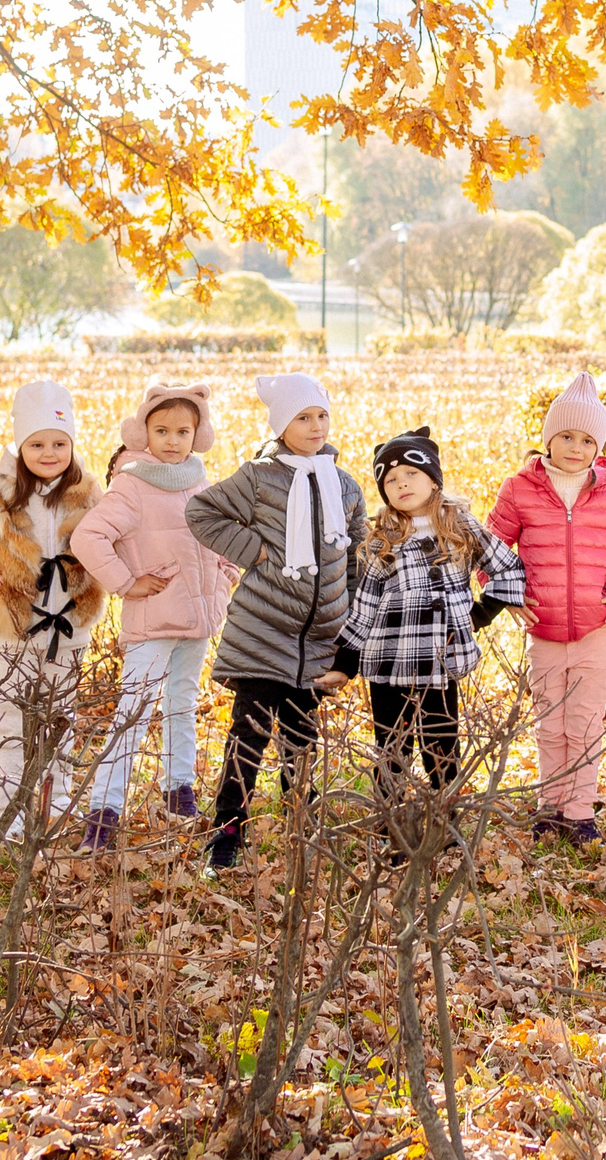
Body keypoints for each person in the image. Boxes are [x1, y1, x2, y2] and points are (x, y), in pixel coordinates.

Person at [186, 373, 367, 872]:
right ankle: (227, 833)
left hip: (318, 639)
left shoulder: (345, 484)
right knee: (249, 735)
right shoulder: (260, 476)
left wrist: (347, 618)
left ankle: (300, 827)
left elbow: (358, 555)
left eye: (321, 416)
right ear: (281, 424)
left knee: (300, 738)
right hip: (262, 630)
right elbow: (202, 512)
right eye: (302, 418)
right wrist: (255, 551)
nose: (314, 426)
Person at [486, 373, 606, 846]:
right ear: (548, 438)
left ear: (597, 446)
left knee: (585, 721)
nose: (575, 446)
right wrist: (504, 591)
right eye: (566, 436)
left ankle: (580, 812)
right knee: (551, 722)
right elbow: (490, 547)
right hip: (542, 627)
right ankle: (550, 804)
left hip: (595, 626)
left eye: (587, 439)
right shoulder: (520, 488)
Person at [70, 384, 239, 850]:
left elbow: (218, 537)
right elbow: (88, 538)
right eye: (161, 430)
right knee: (133, 714)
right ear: (143, 432)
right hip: (153, 621)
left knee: (182, 704)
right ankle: (103, 815)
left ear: (196, 434)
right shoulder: (134, 483)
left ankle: (178, 791)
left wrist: (225, 576)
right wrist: (126, 582)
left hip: (198, 620)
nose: (171, 439)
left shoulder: (197, 479)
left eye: (182, 431)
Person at [329, 428, 527, 810]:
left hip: (440, 660)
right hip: (389, 664)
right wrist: (344, 662)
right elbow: (365, 608)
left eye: (411, 474)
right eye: (391, 479)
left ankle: (443, 824)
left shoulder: (460, 527)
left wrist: (479, 613)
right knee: (391, 751)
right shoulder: (381, 540)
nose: (402, 483)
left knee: (441, 748)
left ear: (433, 479)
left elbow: (508, 568)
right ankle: (391, 827)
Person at [0, 380, 107, 828]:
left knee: (59, 720)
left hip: (67, 631)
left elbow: (114, 539)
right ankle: (9, 814)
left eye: (58, 442)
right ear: (21, 445)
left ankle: (54, 807)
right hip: (11, 632)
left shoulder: (89, 494)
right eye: (36, 443)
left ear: (71, 444)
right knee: (11, 721)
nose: (48, 452)